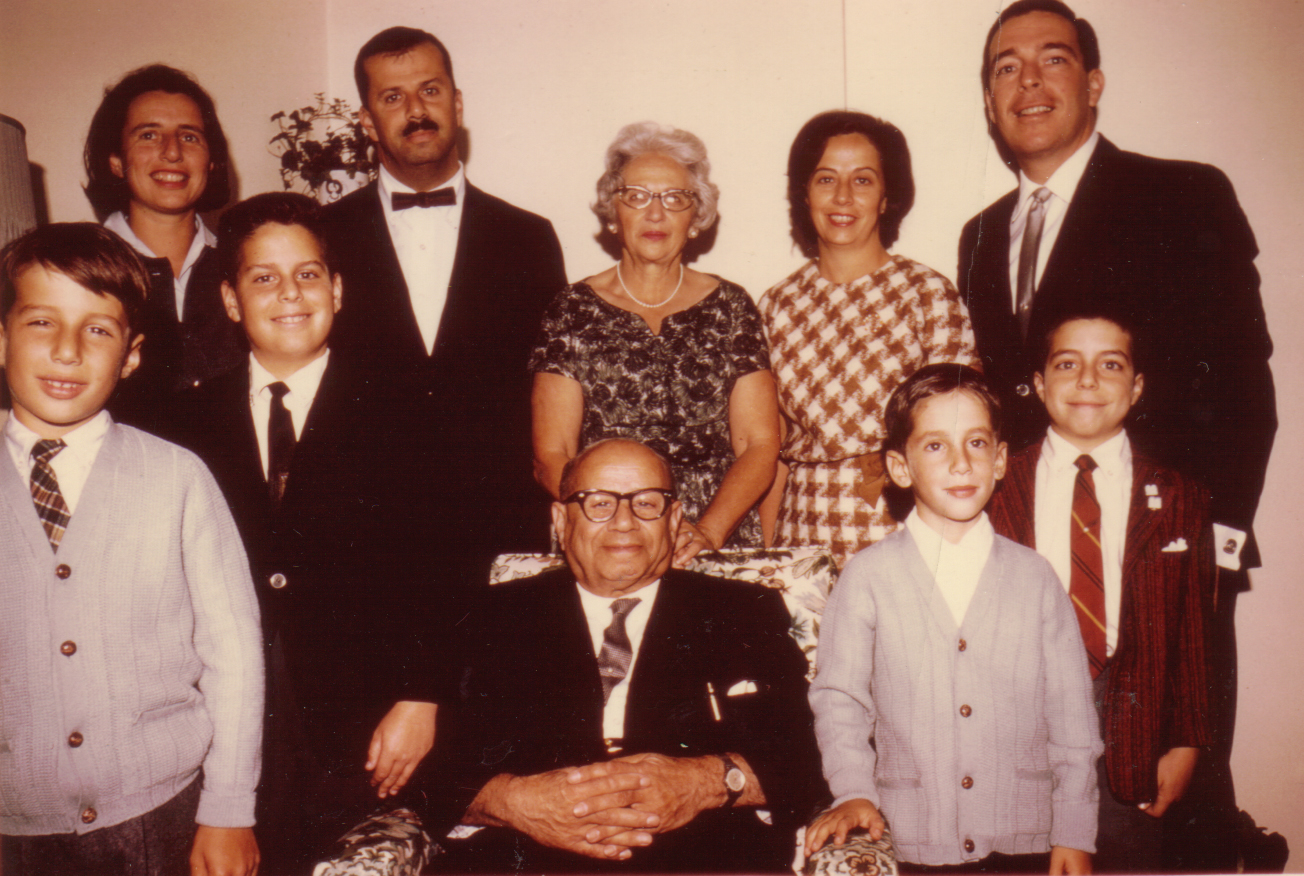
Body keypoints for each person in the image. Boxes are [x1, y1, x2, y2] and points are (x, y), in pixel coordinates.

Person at [957, 3, 1272, 864]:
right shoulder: (981, 236)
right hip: (1033, 555)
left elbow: (1245, 387)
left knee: (1171, 810)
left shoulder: (1182, 192)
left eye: (1052, 60)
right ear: (988, 99)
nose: (1028, 80)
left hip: (1159, 559)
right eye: (1004, 66)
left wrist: (1205, 548)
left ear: (1093, 83)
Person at [164, 193, 445, 872]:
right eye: (263, 277)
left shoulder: (415, 406)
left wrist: (422, 695)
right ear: (231, 300)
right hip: (225, 730)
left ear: (338, 289)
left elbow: (454, 560)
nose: (289, 293)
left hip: (368, 727)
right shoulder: (184, 424)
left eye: (308, 274)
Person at [424, 438, 825, 873]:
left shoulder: (741, 610)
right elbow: (423, 764)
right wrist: (511, 801)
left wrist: (705, 781)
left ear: (673, 521)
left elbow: (808, 750)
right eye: (598, 503)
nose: (624, 522)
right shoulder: (489, 615)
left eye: (647, 503)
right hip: (529, 854)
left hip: (703, 853)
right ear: (560, 520)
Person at [0, 223, 262, 876]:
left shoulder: (178, 478)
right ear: (1, 335)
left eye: (98, 329)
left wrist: (229, 808)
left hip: (162, 819)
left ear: (133, 353)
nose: (67, 351)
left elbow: (232, 651)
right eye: (41, 322)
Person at [808, 364, 1100, 874]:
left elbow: (1072, 715)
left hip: (1024, 841)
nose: (962, 464)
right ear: (900, 468)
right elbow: (840, 700)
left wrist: (1075, 828)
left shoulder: (1036, 578)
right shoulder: (868, 576)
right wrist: (854, 790)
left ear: (1001, 459)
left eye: (978, 443)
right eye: (936, 446)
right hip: (910, 836)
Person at [320, 26, 567, 584]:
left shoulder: (529, 237)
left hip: (500, 536)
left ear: (457, 104)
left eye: (430, 91)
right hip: (361, 544)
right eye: (392, 97)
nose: (416, 110)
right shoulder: (321, 236)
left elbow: (551, 390)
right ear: (366, 120)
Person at [988, 312, 1214, 873]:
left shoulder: (1178, 492)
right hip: (1019, 740)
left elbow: (1193, 630)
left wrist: (1187, 742)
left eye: (1110, 365)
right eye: (1067, 364)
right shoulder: (995, 485)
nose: (1087, 380)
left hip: (1131, 741)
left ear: (1137, 387)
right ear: (1039, 384)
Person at [531, 122, 779, 563]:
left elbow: (759, 445)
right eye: (637, 196)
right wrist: (620, 520)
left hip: (711, 532)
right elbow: (553, 454)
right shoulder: (570, 310)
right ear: (613, 212)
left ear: (696, 218)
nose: (655, 213)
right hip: (606, 536)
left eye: (674, 198)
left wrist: (707, 531)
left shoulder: (732, 306)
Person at [760, 111, 979, 569]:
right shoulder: (776, 306)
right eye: (825, 179)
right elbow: (772, 447)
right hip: (804, 532)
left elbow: (960, 428)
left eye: (863, 180)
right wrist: (768, 557)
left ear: (886, 197)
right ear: (804, 192)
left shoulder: (928, 293)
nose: (843, 196)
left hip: (905, 522)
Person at [83, 64, 246, 425]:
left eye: (189, 136)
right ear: (115, 161)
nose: (172, 153)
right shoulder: (78, 272)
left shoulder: (244, 269)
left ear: (212, 161)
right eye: (148, 135)